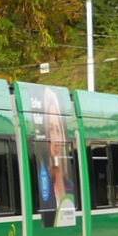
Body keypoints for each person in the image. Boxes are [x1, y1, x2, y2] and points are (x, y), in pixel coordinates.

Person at [39, 88, 77, 227]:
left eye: (57, 129)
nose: (55, 139)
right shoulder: (42, 183)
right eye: (50, 130)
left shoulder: (70, 185)